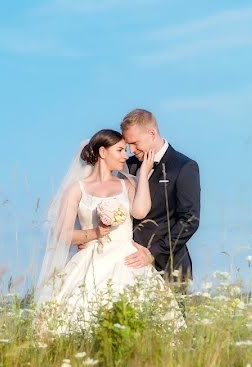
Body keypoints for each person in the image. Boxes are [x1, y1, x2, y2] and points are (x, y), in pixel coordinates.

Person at [34, 129, 170, 333]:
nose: (126, 155)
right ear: (103, 153)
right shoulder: (77, 189)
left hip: (126, 258)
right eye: (120, 150)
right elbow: (64, 234)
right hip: (91, 259)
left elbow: (140, 212)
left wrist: (142, 176)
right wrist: (97, 232)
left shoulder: (127, 184)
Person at [121, 109, 201, 289]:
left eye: (134, 143)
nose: (131, 150)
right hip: (127, 265)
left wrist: (152, 253)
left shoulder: (184, 166)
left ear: (152, 133)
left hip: (168, 266)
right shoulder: (127, 166)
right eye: (127, 145)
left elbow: (190, 219)